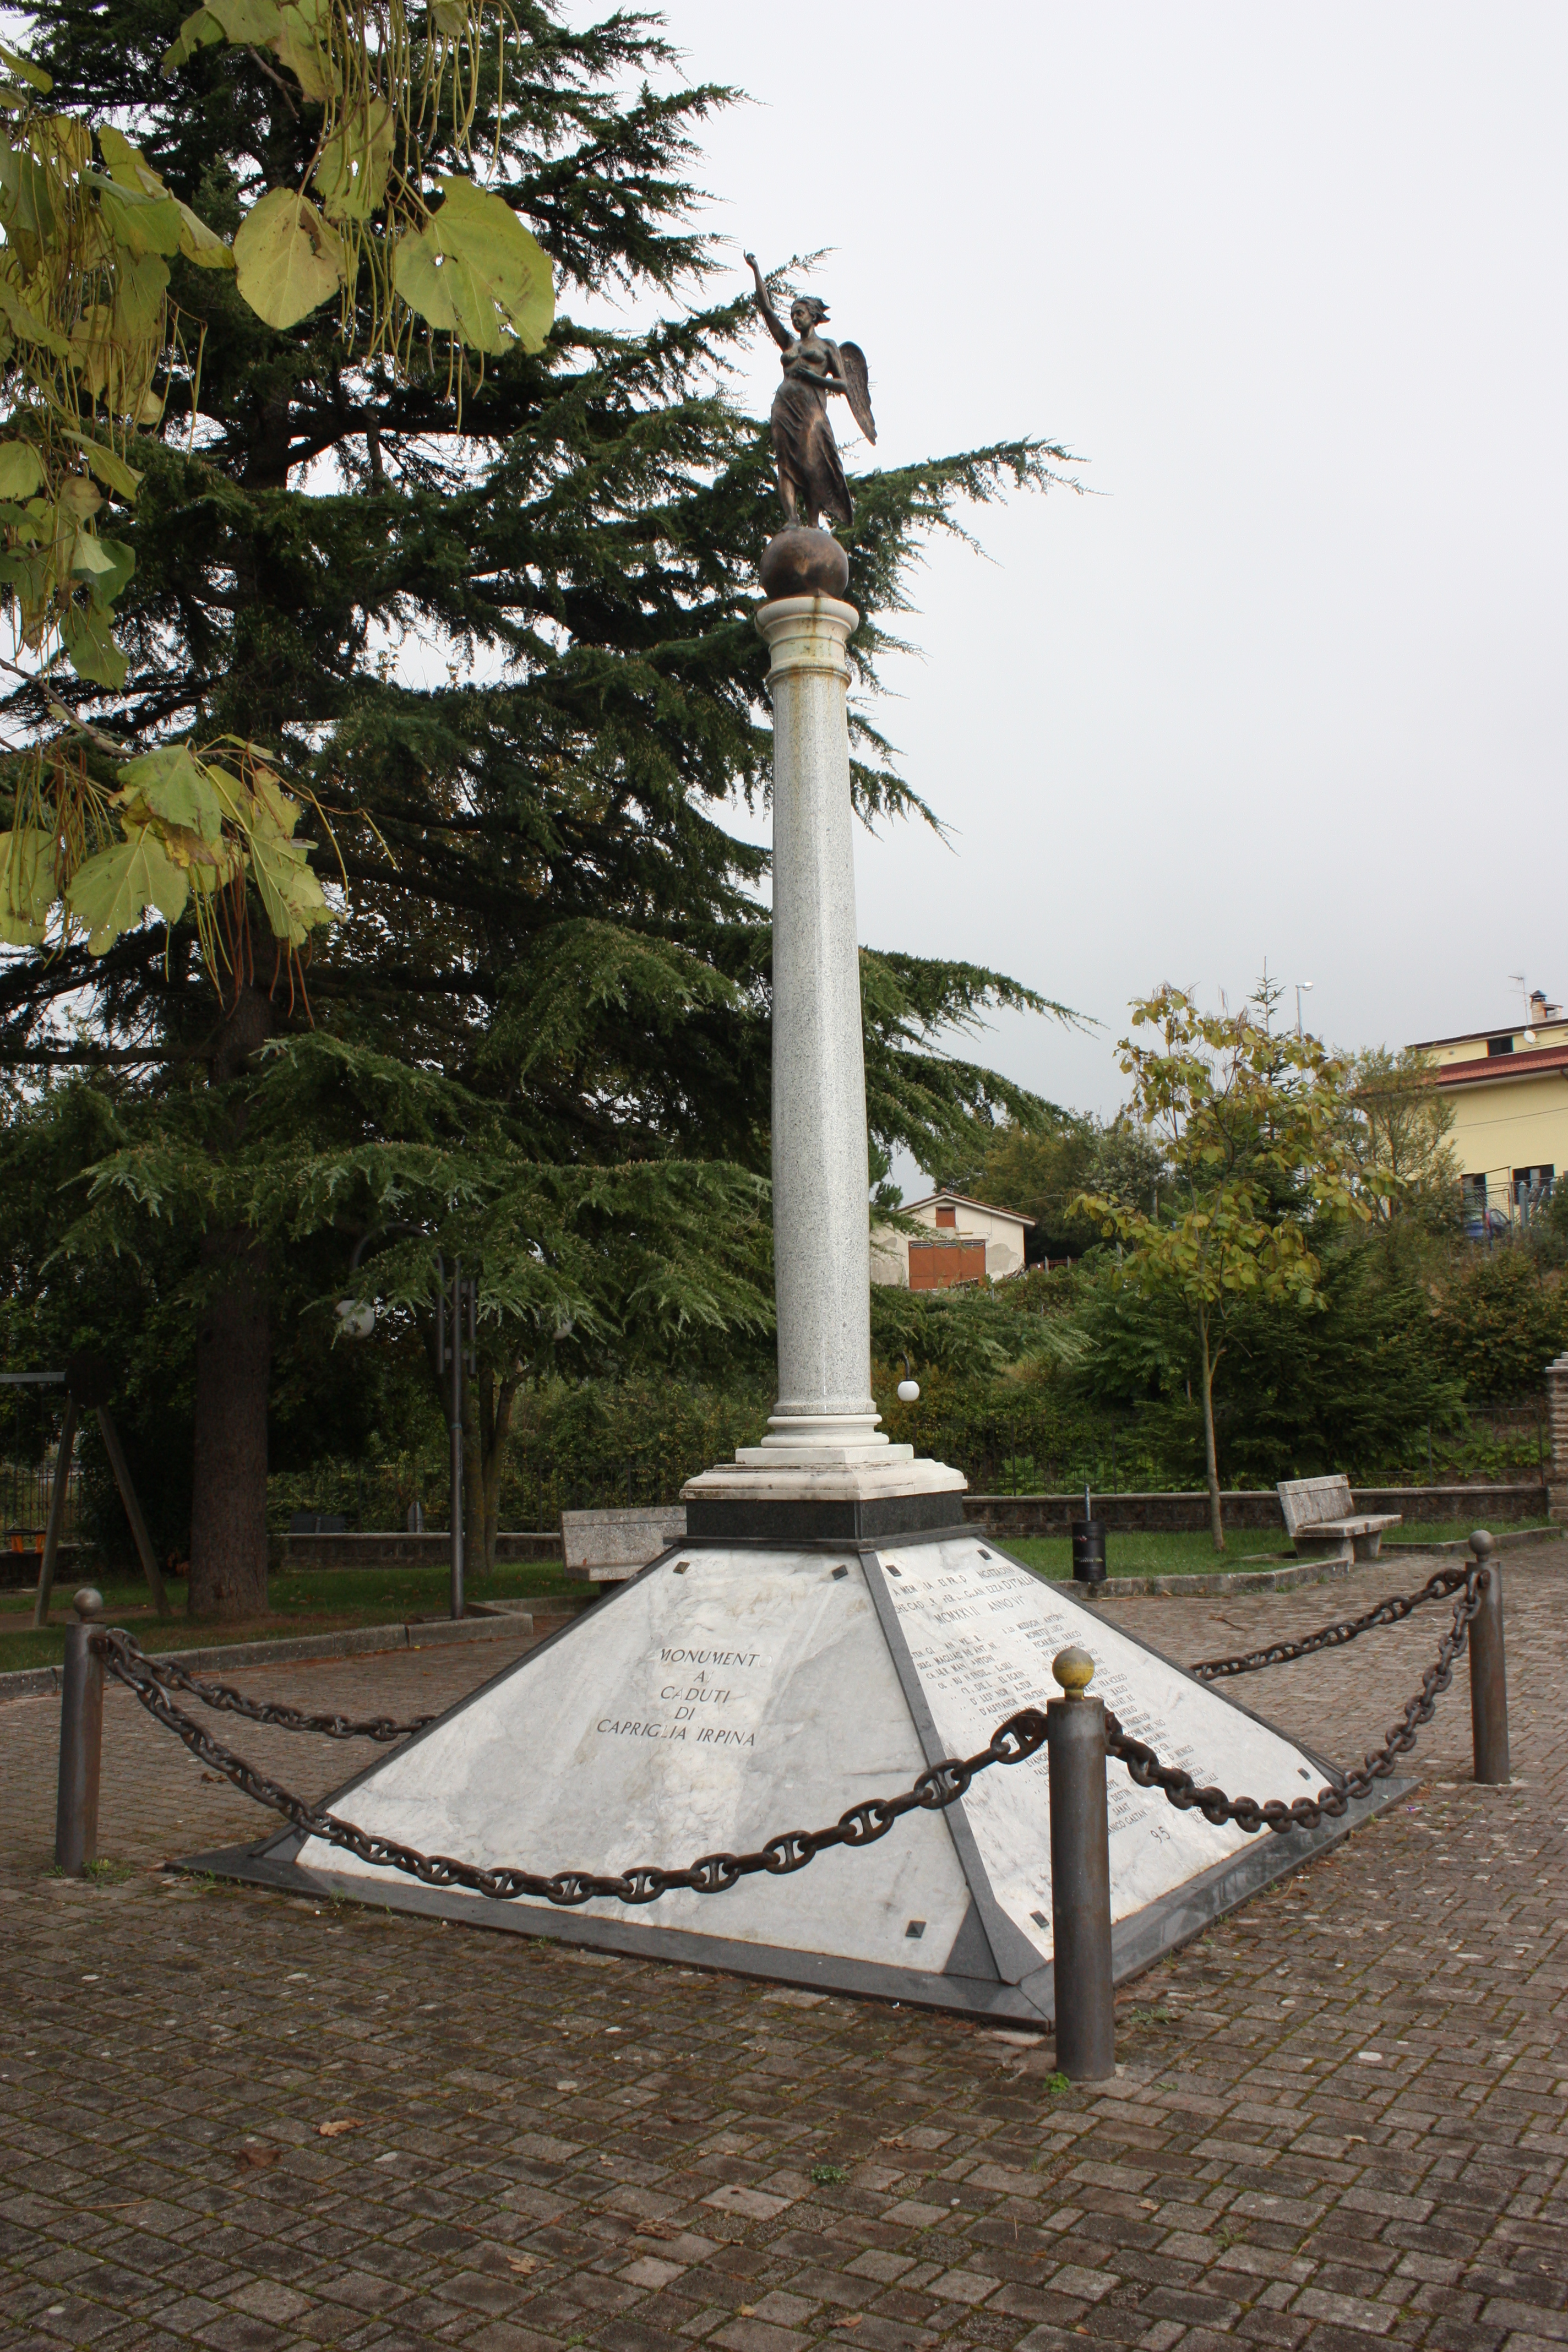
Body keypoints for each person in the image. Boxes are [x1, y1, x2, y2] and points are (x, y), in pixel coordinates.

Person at [745, 254, 875, 529]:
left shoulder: (828, 347)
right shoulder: (789, 344)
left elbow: (843, 385)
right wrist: (756, 270)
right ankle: (792, 518)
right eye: (792, 315)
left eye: (799, 314)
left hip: (811, 410)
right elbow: (767, 311)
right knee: (785, 464)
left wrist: (815, 380)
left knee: (812, 462)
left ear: (813, 316)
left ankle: (814, 522)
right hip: (784, 408)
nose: (794, 319)